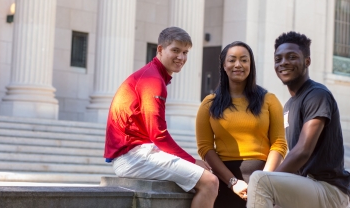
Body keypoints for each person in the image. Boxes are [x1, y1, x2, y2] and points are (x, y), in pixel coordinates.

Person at [104, 27, 219, 208]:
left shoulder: (151, 75)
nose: (181, 57)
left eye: (185, 52)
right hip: (133, 157)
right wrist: (191, 160)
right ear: (160, 50)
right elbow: (158, 135)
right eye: (175, 50)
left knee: (196, 181)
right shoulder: (153, 81)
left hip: (135, 153)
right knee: (210, 182)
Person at [246, 31, 350, 208]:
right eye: (278, 59)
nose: (283, 62)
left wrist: (271, 178)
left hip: (329, 189)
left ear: (307, 61)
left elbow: (302, 151)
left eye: (291, 57)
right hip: (306, 186)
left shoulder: (317, 95)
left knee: (261, 180)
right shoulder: (289, 105)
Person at [196, 41, 288, 208]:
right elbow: (205, 148)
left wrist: (263, 181)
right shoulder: (208, 104)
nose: (238, 65)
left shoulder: (270, 101)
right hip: (224, 182)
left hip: (262, 177)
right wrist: (232, 182)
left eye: (244, 60)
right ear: (224, 65)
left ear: (250, 65)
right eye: (232, 60)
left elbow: (279, 144)